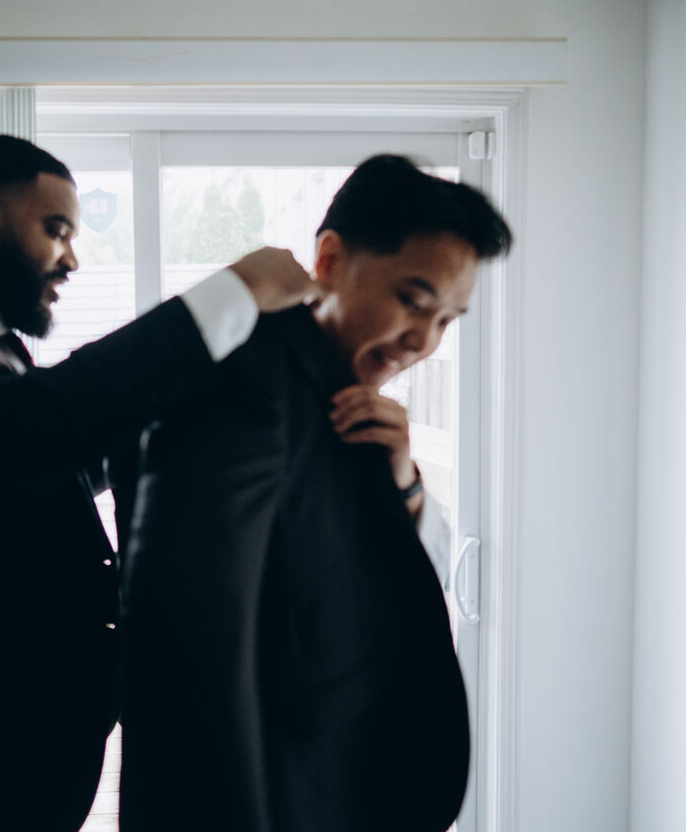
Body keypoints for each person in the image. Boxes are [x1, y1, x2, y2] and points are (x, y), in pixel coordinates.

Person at [0, 135, 315, 831]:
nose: (72, 259)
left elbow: (58, 460)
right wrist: (232, 293)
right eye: (56, 231)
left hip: (3, 760)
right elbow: (29, 431)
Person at [115, 154, 513, 832]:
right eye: (413, 301)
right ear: (328, 259)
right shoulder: (247, 383)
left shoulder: (349, 404)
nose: (423, 341)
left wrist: (402, 483)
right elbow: (194, 646)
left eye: (447, 320)